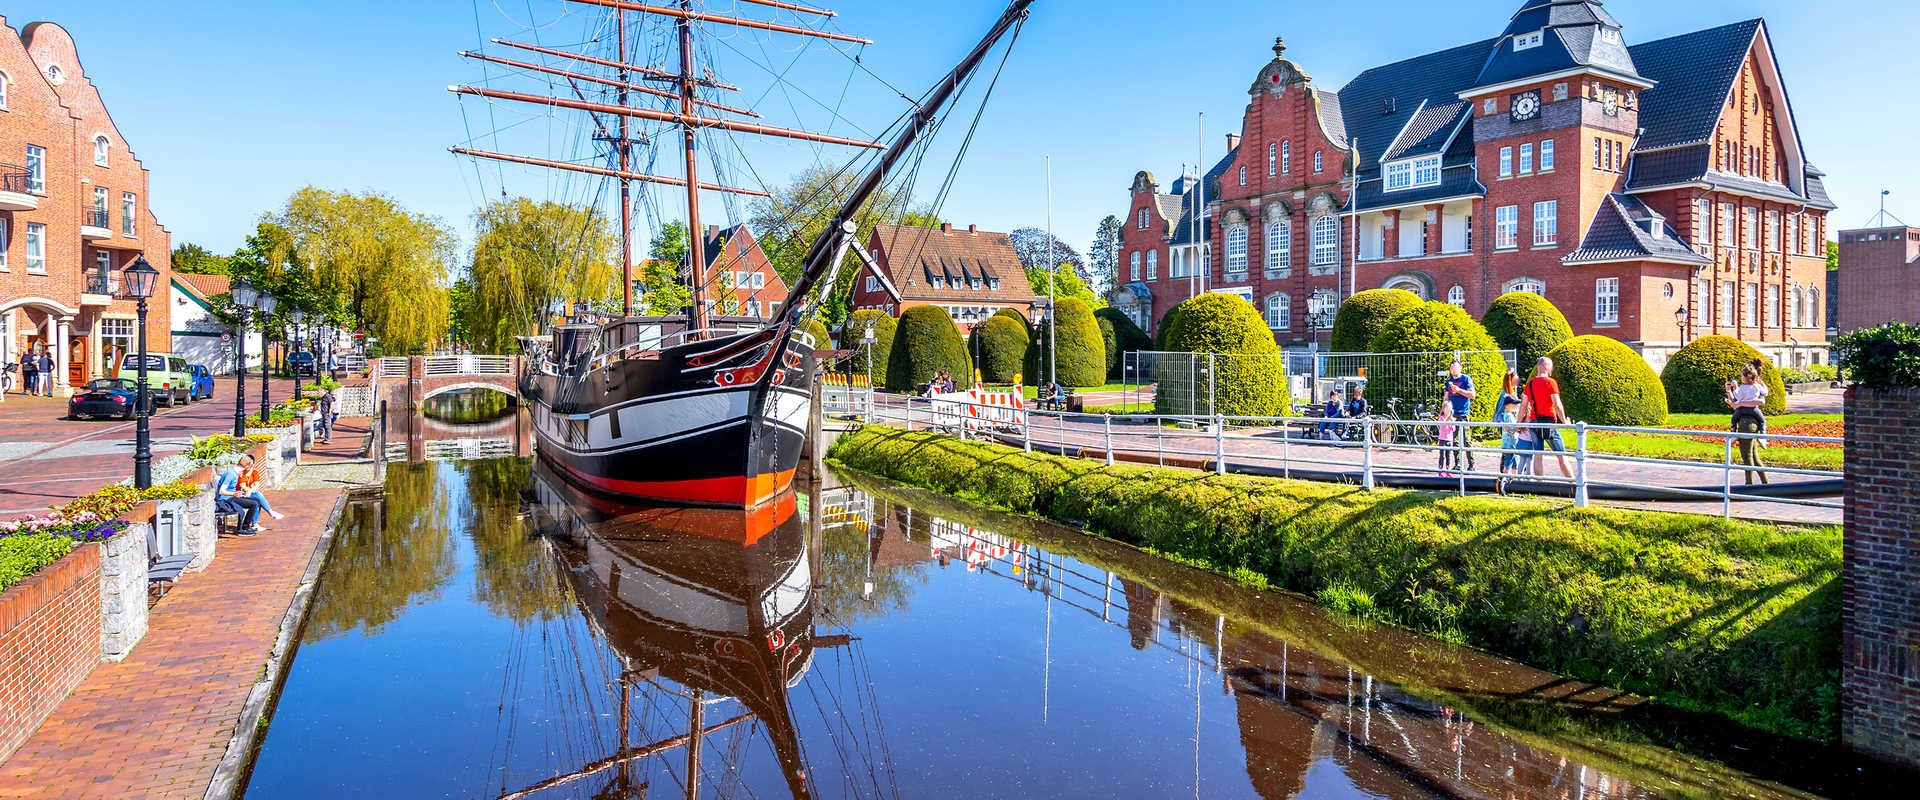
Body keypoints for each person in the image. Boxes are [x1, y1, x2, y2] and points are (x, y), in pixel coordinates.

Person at [1520, 357, 1573, 479]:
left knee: (1538, 455)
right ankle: (1574, 485)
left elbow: (1523, 405)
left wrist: (1518, 423)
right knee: (1561, 455)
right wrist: (1564, 421)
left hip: (1534, 422)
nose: (1551, 369)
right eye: (1550, 366)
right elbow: (1557, 404)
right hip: (1549, 423)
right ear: (1544, 367)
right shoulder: (1551, 382)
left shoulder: (1530, 384)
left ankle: (1540, 485)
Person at [1493, 370, 1532, 491]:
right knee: (1510, 456)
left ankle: (1510, 480)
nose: (1517, 382)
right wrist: (1503, 424)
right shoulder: (1505, 395)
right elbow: (1499, 412)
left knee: (1512, 457)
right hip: (1509, 432)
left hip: (1513, 432)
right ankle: (1509, 481)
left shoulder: (1512, 393)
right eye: (1515, 379)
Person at [215, 455, 266, 535]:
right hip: (226, 499)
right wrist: (234, 493)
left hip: (233, 497)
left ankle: (246, 527)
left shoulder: (238, 473)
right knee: (254, 504)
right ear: (247, 466)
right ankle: (241, 529)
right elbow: (221, 491)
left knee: (256, 501)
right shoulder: (231, 474)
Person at [1442, 360, 1476, 472]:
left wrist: (1459, 390)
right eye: (1452, 368)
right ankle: (1457, 464)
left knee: (1467, 440)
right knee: (1454, 440)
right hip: (1452, 414)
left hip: (1463, 413)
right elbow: (1446, 397)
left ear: (1460, 368)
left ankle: (1471, 464)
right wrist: (1443, 411)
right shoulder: (1449, 381)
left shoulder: (1466, 379)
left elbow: (1472, 395)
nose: (1454, 370)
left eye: (1456, 367)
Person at [1726, 362, 1770, 447]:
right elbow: (1765, 392)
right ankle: (1762, 436)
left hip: (1741, 409)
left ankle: (1733, 433)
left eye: (1742, 376)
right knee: (1762, 421)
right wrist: (1763, 384)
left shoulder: (1742, 387)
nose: (1741, 377)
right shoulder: (1756, 386)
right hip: (1753, 409)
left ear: (1746, 377)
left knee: (1734, 419)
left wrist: (1735, 388)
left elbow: (1738, 397)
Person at [1436, 405, 1460, 476]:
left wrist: (1451, 422)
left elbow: (1453, 429)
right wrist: (1447, 419)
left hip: (1449, 439)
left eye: (1449, 410)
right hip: (1442, 439)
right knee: (1442, 455)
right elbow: (1442, 425)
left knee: (1448, 456)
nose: (1448, 411)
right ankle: (1440, 470)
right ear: (1443, 410)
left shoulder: (1451, 418)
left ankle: (1447, 470)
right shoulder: (1441, 418)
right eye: (1447, 410)